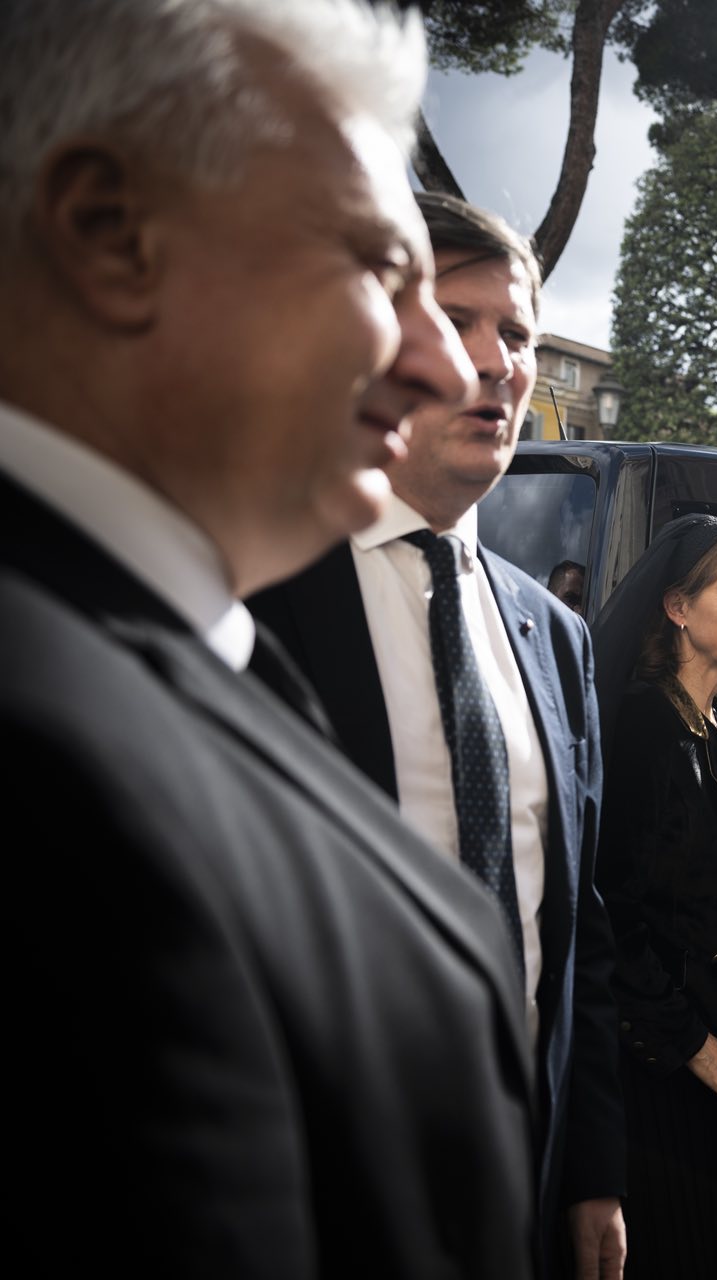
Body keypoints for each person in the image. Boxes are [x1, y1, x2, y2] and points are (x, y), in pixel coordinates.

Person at [1, 1, 543, 1274]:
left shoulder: (167, 652)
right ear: (110, 233)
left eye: (506, 330)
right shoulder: (46, 763)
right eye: (376, 269)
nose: (445, 366)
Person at [248, 193, 625, 1279]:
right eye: (455, 320)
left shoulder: (555, 635)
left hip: (529, 1187)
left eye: (517, 333)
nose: (498, 361)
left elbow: (580, 931)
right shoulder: (252, 592)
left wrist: (593, 1170)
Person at [595, 514, 717, 1278]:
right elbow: (607, 914)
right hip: (656, 1074)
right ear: (678, 606)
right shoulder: (639, 729)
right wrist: (693, 1046)